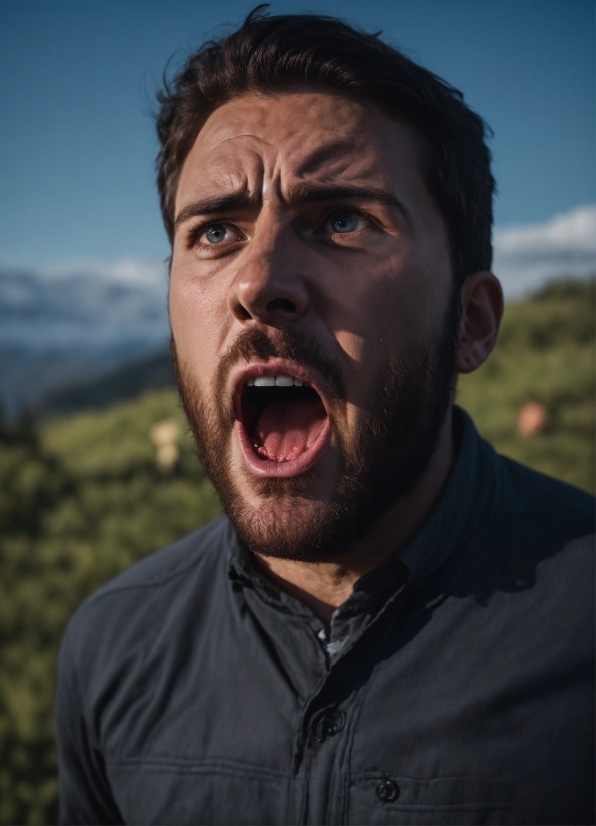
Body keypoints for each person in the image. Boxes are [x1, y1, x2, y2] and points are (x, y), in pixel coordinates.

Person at [55, 8, 595, 825]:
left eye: (343, 220)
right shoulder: (110, 648)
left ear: (471, 322)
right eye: (215, 231)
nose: (257, 279)